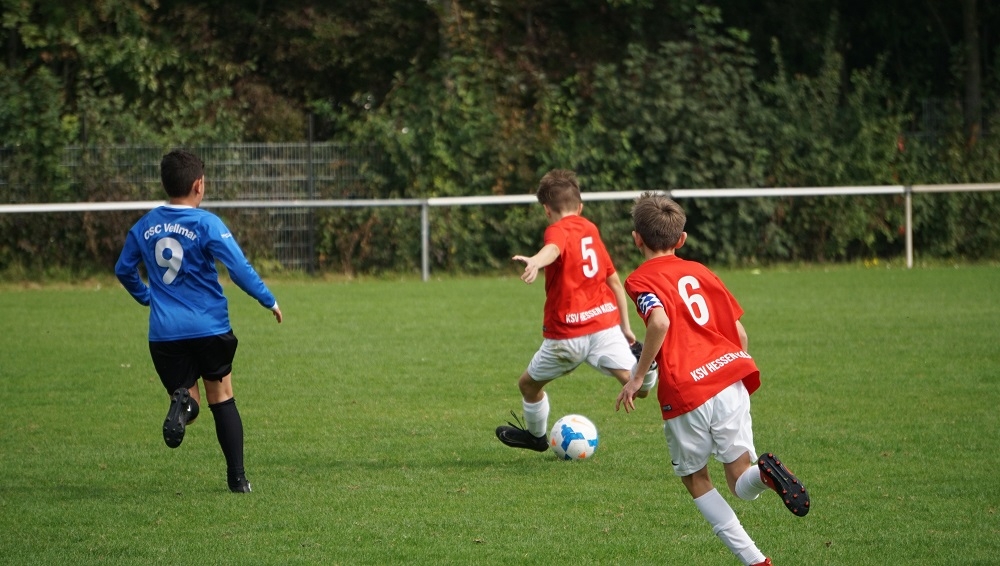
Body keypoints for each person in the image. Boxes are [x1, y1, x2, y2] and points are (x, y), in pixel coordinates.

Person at [616, 193, 809, 566]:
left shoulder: (639, 279)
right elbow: (740, 334)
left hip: (687, 389)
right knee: (740, 482)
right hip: (729, 377)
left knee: (696, 479)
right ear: (682, 239)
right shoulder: (702, 272)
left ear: (636, 238)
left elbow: (659, 321)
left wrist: (638, 377)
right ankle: (765, 475)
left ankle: (756, 561)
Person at [115, 149, 283, 494]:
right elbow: (238, 269)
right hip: (209, 328)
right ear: (198, 185)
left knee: (190, 402)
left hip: (165, 333)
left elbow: (123, 269)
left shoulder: (144, 226)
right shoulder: (206, 224)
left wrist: (147, 296)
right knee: (222, 397)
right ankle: (238, 480)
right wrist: (268, 299)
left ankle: (184, 404)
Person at [495, 169, 657, 452]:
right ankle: (650, 369)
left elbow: (553, 248)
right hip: (605, 326)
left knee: (528, 386)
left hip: (566, 336)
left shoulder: (556, 229)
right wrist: (626, 327)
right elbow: (614, 281)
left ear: (546, 209)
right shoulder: (590, 229)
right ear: (580, 207)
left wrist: (536, 261)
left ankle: (536, 437)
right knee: (637, 384)